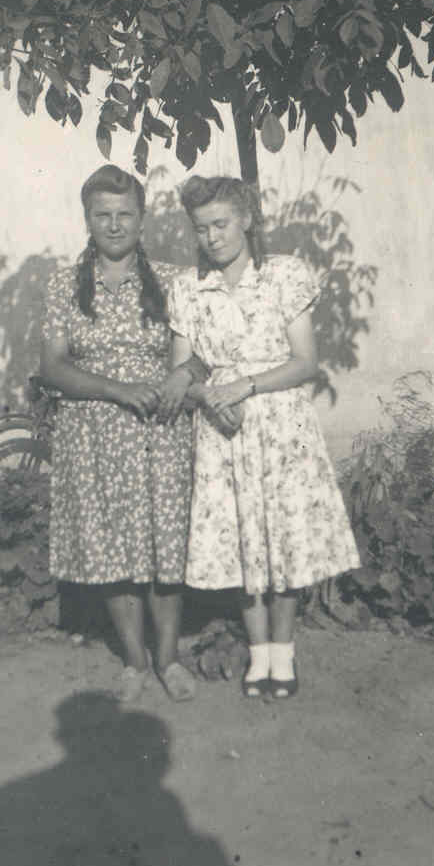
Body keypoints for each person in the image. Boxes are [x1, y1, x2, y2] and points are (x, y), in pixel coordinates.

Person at [161, 176, 361, 699]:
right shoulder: (188, 287)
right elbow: (182, 370)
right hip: (222, 428)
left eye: (221, 224)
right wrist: (209, 398)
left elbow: (305, 362)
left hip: (280, 426)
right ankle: (259, 654)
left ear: (246, 220)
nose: (212, 237)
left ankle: (285, 652)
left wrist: (244, 386)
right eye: (201, 228)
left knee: (283, 535)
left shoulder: (284, 275)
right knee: (241, 540)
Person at [40, 165, 200, 704]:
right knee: (112, 551)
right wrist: (116, 390)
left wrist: (180, 377)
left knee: (165, 549)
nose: (114, 224)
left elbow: (205, 352)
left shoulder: (175, 282)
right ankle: (134, 662)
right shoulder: (64, 285)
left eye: (124, 214)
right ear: (87, 219)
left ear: (142, 217)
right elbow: (53, 368)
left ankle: (169, 660)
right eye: (102, 214)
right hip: (92, 437)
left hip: (161, 432)